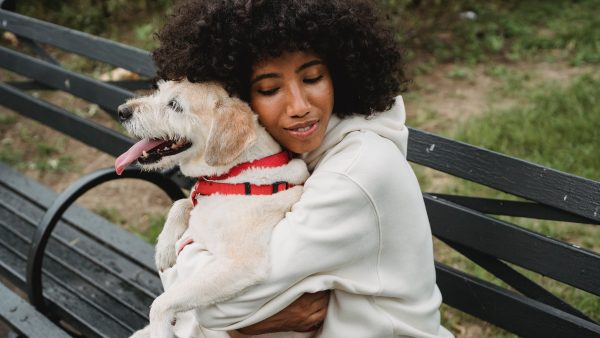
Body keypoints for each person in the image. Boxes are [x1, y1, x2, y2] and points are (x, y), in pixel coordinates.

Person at [153, 0, 453, 337]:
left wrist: (185, 256)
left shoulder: (355, 173)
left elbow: (222, 303)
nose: (299, 107)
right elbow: (220, 302)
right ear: (241, 100)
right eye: (269, 89)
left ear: (339, 74)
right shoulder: (297, 151)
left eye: (312, 77)